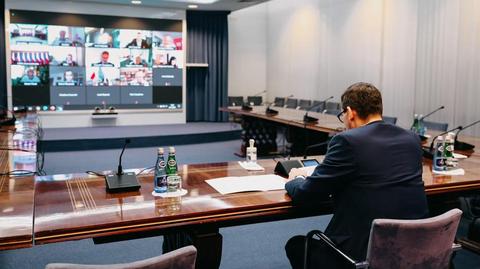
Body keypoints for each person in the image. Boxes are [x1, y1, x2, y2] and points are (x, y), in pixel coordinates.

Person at [284, 82, 429, 269]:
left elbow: (306, 194)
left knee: (296, 245)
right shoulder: (412, 138)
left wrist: (295, 180)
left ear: (350, 112)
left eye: (342, 115)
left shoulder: (347, 141)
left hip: (363, 255)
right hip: (414, 248)